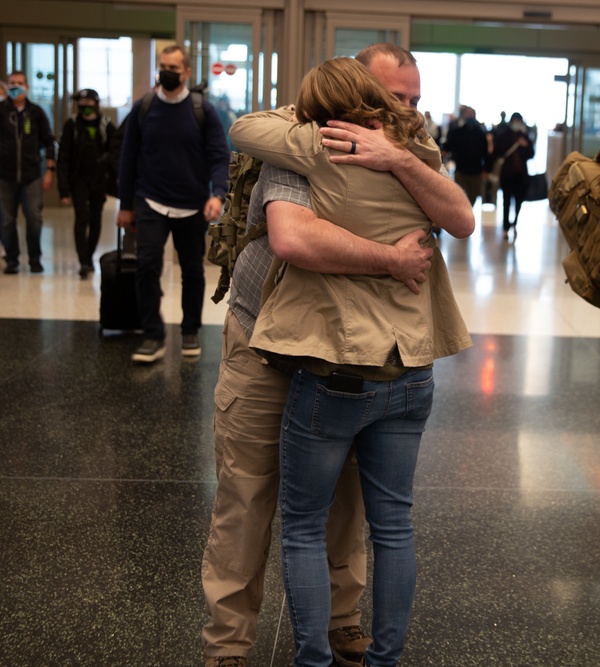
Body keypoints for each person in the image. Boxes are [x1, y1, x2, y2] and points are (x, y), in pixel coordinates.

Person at [202, 44, 475, 667]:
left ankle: (342, 619)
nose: (404, 111)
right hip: (265, 342)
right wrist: (392, 258)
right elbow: (294, 236)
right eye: (392, 97)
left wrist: (400, 157)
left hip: (343, 350)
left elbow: (458, 216)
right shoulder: (303, 138)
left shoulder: (406, 142)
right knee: (247, 495)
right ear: (354, 88)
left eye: (413, 99)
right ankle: (228, 644)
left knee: (349, 497)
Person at [116, 44, 230, 363]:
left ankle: (190, 330)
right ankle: (152, 334)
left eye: (173, 69)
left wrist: (217, 193)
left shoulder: (201, 110)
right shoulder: (145, 107)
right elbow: (128, 158)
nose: (166, 73)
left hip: (192, 204)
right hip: (150, 200)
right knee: (147, 266)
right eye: (162, 66)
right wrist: (125, 204)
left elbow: (219, 156)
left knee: (193, 271)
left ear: (187, 73)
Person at [1, 71, 56, 274]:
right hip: (4, 176)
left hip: (31, 175)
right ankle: (12, 259)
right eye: (12, 83)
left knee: (34, 217)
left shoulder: (36, 112)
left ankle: (34, 259)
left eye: (20, 83)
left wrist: (50, 169)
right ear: (7, 86)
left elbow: (49, 141)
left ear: (27, 87)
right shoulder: (1, 111)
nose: (16, 87)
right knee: (6, 220)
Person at [57, 88, 116, 278]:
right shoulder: (72, 125)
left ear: (96, 103)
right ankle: (83, 260)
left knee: (96, 219)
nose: (85, 106)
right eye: (81, 103)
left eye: (89, 102)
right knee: (81, 218)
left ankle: (89, 255)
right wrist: (64, 189)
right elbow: (64, 157)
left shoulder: (106, 125)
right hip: (78, 180)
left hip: (100, 181)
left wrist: (114, 184)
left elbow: (116, 153)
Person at [490, 111, 534, 239]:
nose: (517, 123)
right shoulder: (503, 135)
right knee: (506, 201)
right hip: (507, 175)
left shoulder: (524, 136)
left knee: (519, 201)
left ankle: (514, 223)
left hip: (521, 175)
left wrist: (525, 145)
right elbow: (497, 153)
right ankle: (505, 227)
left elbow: (531, 154)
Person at [444, 105, 489, 205]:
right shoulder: (457, 131)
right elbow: (448, 146)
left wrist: (485, 169)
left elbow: (485, 152)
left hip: (476, 170)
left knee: (473, 195)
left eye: (472, 114)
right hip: (461, 169)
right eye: (468, 114)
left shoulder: (480, 133)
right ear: (464, 116)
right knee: (461, 196)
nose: (470, 116)